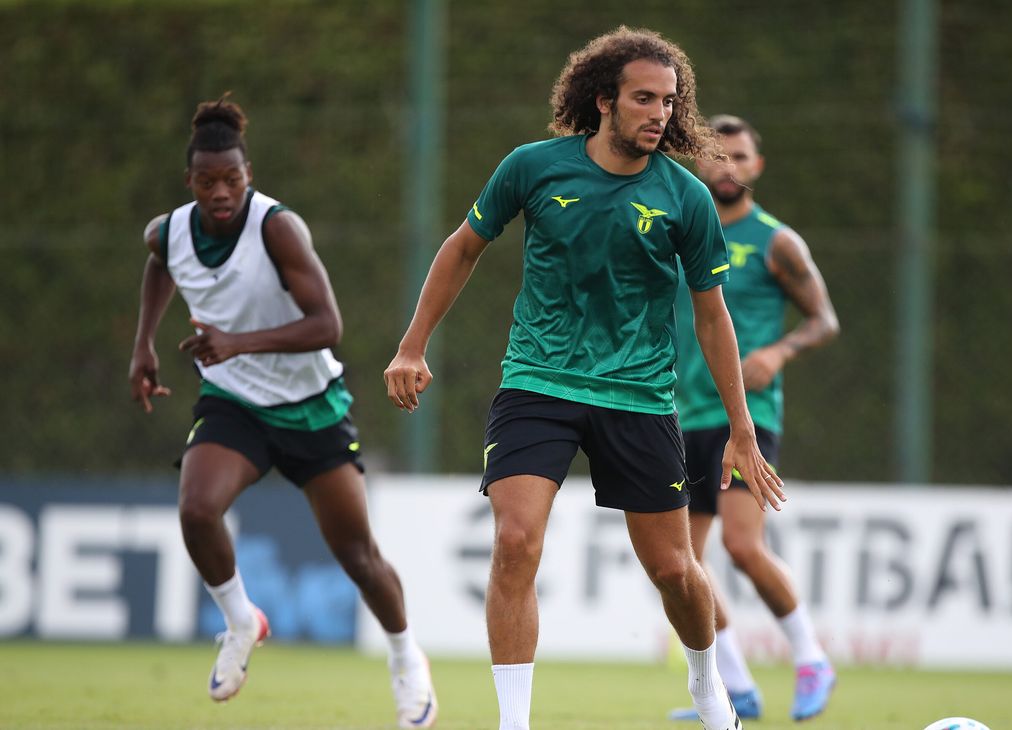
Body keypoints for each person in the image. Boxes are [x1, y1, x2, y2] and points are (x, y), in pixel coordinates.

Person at [384, 27, 786, 730]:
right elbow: (463, 247)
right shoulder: (533, 168)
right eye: (643, 99)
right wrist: (411, 345)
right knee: (514, 541)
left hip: (638, 397)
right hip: (538, 382)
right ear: (604, 101)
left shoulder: (686, 198)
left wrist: (740, 429)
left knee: (674, 571)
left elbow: (713, 319)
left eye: (668, 100)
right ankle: (515, 724)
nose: (659, 113)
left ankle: (706, 681)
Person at [128, 95, 437, 728]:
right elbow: (160, 263)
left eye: (233, 180)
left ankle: (407, 660)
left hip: (311, 409)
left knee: (358, 556)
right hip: (235, 402)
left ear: (249, 177)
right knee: (196, 508)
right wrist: (143, 347)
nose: (221, 193)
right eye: (208, 182)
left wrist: (234, 342)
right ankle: (241, 619)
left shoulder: (275, 228)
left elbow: (328, 324)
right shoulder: (168, 230)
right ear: (189, 182)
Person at [668, 115, 840, 723]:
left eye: (740, 157)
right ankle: (733, 686)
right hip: (681, 414)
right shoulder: (681, 233)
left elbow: (825, 319)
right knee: (681, 567)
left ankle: (811, 656)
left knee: (741, 545)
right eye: (718, 156)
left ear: (756, 167)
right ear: (699, 163)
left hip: (746, 416)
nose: (729, 166)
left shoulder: (776, 242)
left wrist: (779, 350)